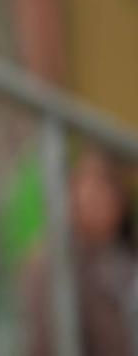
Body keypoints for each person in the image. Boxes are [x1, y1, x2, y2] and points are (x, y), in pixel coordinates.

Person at [24, 149, 138, 356]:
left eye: (109, 191)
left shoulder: (124, 257)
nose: (99, 202)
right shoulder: (54, 262)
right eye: (90, 190)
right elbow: (47, 341)